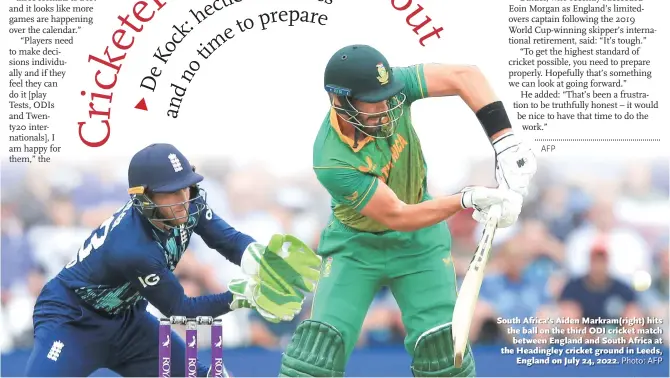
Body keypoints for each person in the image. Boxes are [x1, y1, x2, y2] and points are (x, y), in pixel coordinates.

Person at [278, 45, 537, 377]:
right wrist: (466, 199)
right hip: (355, 248)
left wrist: (506, 143)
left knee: (444, 357)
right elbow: (398, 215)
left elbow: (465, 76)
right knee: (314, 360)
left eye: (388, 96)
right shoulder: (331, 157)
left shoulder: (393, 89)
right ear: (340, 101)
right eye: (374, 100)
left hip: (420, 244)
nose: (387, 108)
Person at [24, 143, 320, 377]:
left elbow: (226, 239)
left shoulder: (189, 203)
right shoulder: (132, 248)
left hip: (127, 319)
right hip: (72, 319)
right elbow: (180, 308)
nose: (183, 198)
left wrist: (258, 259)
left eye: (186, 186)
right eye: (170, 192)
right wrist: (243, 296)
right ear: (144, 197)